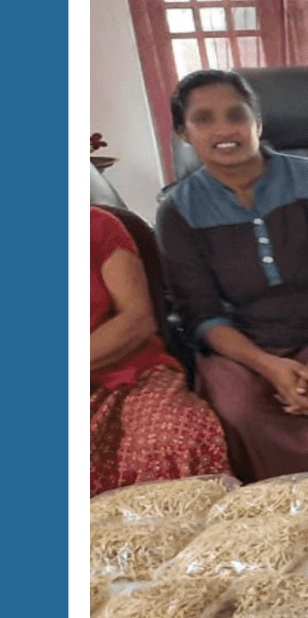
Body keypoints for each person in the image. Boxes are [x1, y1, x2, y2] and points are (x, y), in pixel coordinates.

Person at [155, 70, 308, 482]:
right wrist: (271, 368)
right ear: (183, 133)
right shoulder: (177, 210)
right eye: (204, 119)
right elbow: (203, 315)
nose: (224, 130)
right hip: (240, 349)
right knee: (237, 412)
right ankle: (272, 533)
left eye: (236, 115)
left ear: (258, 122)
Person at [90, 206, 230, 496]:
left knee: (179, 434)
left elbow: (138, 319)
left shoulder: (96, 225)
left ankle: (196, 537)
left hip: (128, 375)